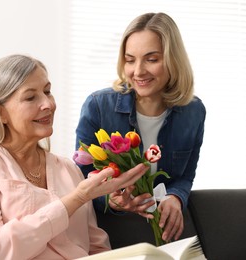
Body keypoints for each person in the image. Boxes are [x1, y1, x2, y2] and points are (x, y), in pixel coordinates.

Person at [0, 54, 150, 259]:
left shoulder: (68, 169)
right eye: (30, 97)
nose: (48, 104)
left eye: (47, 91)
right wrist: (77, 198)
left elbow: (97, 249)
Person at [75, 12, 206, 244]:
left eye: (152, 59)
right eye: (130, 59)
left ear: (173, 59)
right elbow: (80, 181)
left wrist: (176, 197)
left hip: (164, 231)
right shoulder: (98, 106)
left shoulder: (193, 111)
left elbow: (185, 176)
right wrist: (111, 200)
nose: (138, 71)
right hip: (110, 229)